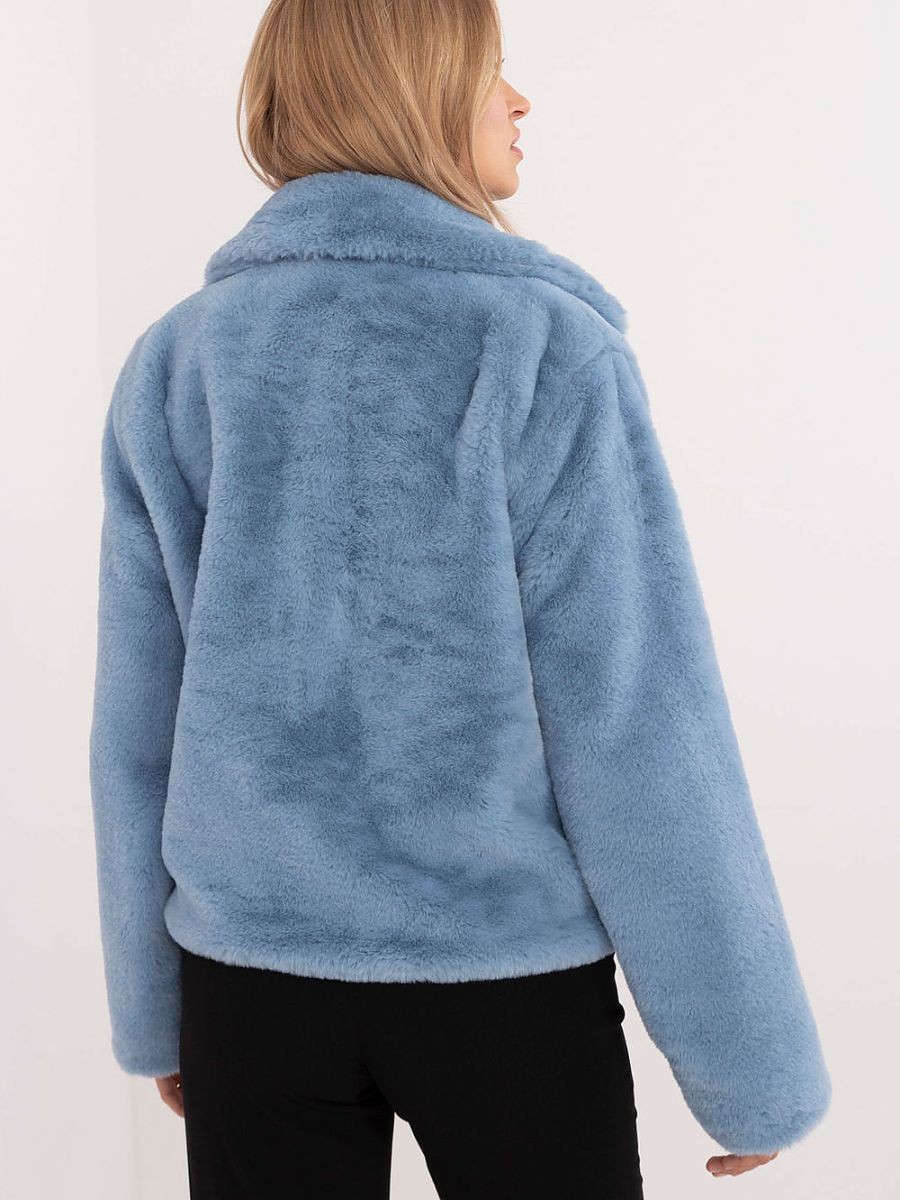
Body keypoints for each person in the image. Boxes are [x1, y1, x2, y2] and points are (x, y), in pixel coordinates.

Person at [88, 1, 832, 1196]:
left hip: (250, 989)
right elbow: (637, 723)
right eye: (491, 73)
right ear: (413, 91)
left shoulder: (182, 359)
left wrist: (154, 1008)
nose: (520, 101)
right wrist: (750, 1065)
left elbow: (137, 730)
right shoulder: (545, 348)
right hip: (501, 985)